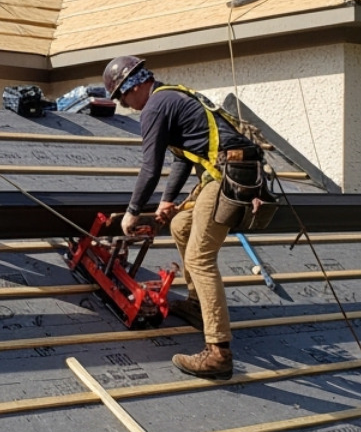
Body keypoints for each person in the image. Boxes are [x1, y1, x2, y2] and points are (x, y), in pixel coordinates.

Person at [106, 54, 262, 380]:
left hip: (228, 176)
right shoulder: (171, 97)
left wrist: (132, 212)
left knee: (200, 257)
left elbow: (150, 168)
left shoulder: (154, 108)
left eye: (121, 96)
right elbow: (181, 160)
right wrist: (166, 200)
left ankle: (218, 352)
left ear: (133, 86)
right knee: (180, 224)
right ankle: (196, 304)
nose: (123, 104)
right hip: (228, 171)